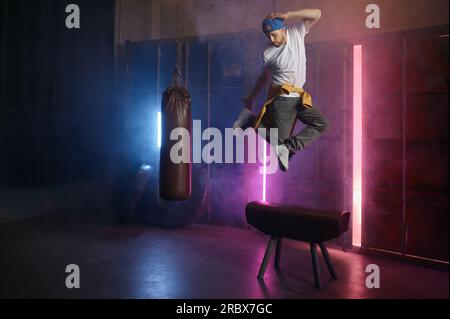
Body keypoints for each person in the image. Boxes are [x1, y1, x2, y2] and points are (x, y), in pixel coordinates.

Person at [238, 8, 330, 172]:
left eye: (274, 34)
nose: (272, 39)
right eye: (268, 36)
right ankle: (251, 121)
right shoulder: (267, 53)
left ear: (283, 28)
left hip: (300, 97)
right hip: (283, 98)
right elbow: (264, 77)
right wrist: (251, 97)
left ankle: (281, 142)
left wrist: (288, 15)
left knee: (322, 124)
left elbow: (318, 14)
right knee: (278, 141)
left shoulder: (296, 33)